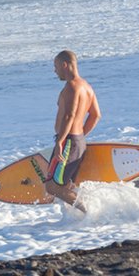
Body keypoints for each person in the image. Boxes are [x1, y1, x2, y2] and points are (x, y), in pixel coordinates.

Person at [43, 49, 101, 208]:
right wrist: (80, 136)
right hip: (76, 141)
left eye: (56, 66)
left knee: (52, 187)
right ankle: (82, 217)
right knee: (66, 185)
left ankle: (92, 212)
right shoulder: (87, 87)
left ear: (64, 65)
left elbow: (69, 115)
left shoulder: (71, 87)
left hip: (68, 142)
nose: (55, 71)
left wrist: (61, 142)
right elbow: (96, 115)